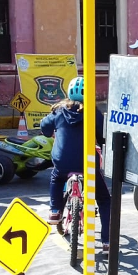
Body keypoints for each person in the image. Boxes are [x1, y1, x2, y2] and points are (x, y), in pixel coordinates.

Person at [40, 77, 112, 253]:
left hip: (62, 161)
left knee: (57, 178)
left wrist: (52, 131)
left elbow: (44, 127)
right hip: (87, 163)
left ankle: (55, 210)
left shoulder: (59, 111)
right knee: (103, 199)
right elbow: (103, 137)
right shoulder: (93, 112)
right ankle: (107, 242)